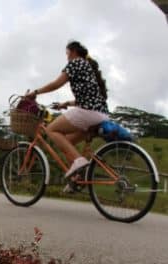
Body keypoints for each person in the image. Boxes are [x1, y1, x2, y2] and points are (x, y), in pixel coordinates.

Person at [26, 40, 109, 192]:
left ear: (72, 51)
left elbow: (56, 84)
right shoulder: (87, 66)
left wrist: (35, 93)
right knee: (68, 142)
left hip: (88, 112)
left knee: (51, 130)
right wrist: (66, 104)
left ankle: (79, 162)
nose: (66, 57)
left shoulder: (75, 62)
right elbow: (87, 96)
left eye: (66, 53)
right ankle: (78, 179)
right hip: (100, 114)